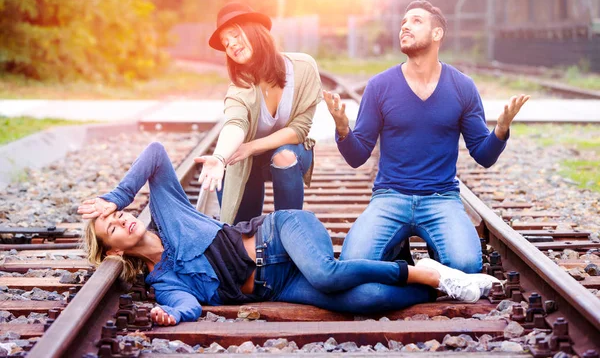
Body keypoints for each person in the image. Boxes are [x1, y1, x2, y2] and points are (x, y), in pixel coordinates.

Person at [78, 142, 498, 325]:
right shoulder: (163, 282)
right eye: (111, 229)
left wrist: (116, 195)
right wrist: (169, 316)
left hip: (282, 231)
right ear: (113, 250)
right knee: (365, 302)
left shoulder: (169, 215)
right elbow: (187, 306)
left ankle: (424, 272)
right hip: (279, 284)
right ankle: (442, 285)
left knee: (328, 274)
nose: (121, 220)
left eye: (117, 214)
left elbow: (154, 154)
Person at [324, 0, 530, 277]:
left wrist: (501, 129)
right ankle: (402, 257)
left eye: (416, 21)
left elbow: (484, 155)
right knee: (352, 262)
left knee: (467, 265)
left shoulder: (462, 87)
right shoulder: (379, 86)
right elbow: (357, 156)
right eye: (403, 23)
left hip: (441, 198)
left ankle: (421, 257)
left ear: (437, 34)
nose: (405, 26)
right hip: (390, 197)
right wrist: (343, 129)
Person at [196, 3, 322, 225]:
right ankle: (247, 239)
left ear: (255, 31)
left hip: (289, 152)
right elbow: (235, 123)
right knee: (241, 228)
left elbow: (300, 129)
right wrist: (219, 157)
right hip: (249, 160)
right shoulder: (240, 87)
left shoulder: (303, 67)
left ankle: (289, 230)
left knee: (284, 155)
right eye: (226, 43)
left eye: (235, 35)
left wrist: (252, 146)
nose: (231, 44)